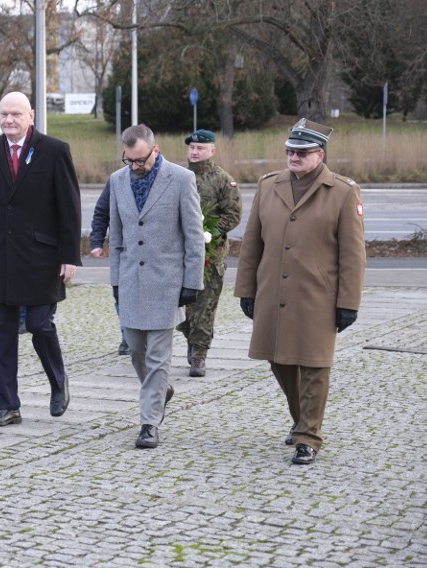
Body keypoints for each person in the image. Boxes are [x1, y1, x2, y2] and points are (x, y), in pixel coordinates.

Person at [234, 118, 366, 465]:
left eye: (302, 152)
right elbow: (251, 244)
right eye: (290, 151)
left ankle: (308, 436)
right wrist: (246, 288)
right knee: (278, 360)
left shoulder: (341, 191)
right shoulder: (268, 185)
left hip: (317, 296)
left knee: (314, 365)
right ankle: (301, 419)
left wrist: (348, 302)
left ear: (319, 155)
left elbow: (353, 254)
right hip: (272, 291)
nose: (293, 157)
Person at [0, 91, 81, 427]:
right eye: (4, 114)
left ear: (31, 116)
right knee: (4, 331)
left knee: (38, 324)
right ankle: (8, 405)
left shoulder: (54, 151)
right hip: (1, 258)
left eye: (16, 114)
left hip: (42, 258)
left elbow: (69, 207)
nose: (9, 120)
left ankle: (58, 379)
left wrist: (69, 256)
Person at [109, 124, 205, 449]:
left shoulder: (181, 180)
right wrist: (115, 282)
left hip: (167, 284)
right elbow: (117, 239)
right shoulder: (117, 181)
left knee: (158, 356)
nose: (135, 167)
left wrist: (192, 283)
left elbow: (194, 236)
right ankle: (161, 391)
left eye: (141, 160)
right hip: (131, 282)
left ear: (156, 150)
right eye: (129, 160)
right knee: (135, 349)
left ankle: (149, 423)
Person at [175, 129, 242, 376]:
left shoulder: (223, 179)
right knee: (181, 308)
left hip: (210, 255)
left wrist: (210, 232)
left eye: (200, 148)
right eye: (191, 147)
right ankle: (192, 341)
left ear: (212, 150)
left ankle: (199, 355)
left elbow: (233, 214)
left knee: (205, 307)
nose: (195, 152)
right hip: (179, 255)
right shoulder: (177, 177)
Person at [89, 181, 129, 355]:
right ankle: (128, 337)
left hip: (152, 253)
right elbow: (102, 211)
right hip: (122, 250)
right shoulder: (117, 180)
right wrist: (96, 241)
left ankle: (144, 339)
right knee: (120, 294)